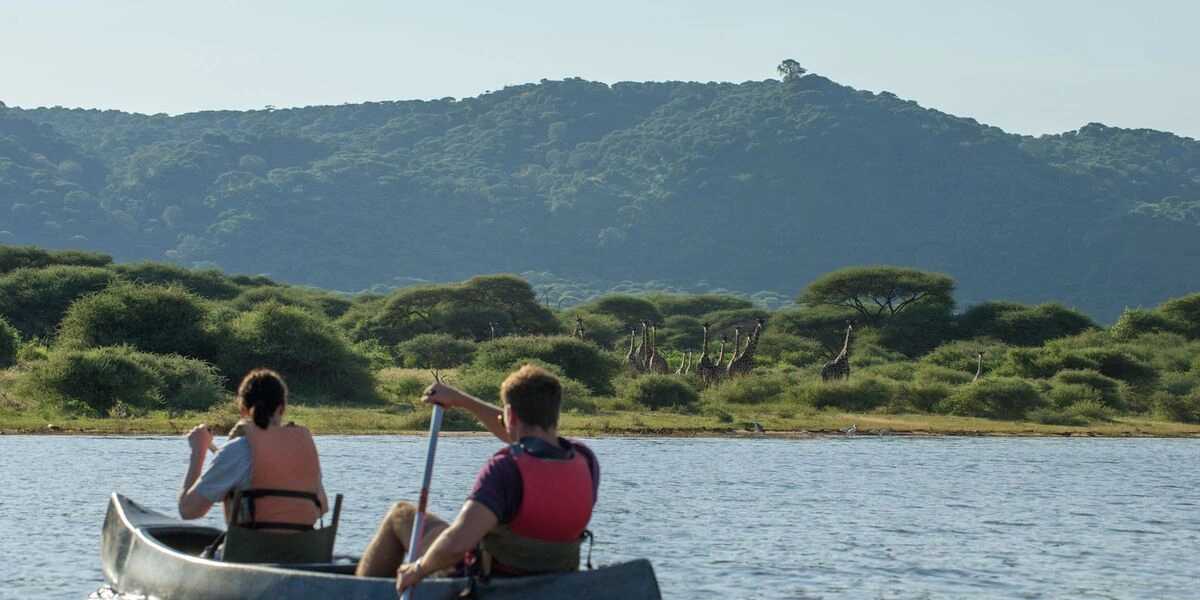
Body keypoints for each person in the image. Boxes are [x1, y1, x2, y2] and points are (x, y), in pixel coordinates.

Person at [356, 364, 600, 595]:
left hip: (484, 578)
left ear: (510, 416)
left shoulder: (505, 469)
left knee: (399, 514)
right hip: (553, 575)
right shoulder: (584, 459)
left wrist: (417, 569)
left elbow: (456, 544)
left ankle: (355, 595)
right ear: (554, 413)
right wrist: (462, 400)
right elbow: (528, 437)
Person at [177, 368, 329, 558]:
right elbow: (322, 508)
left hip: (251, 555)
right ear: (282, 408)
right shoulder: (304, 448)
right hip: (305, 555)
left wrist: (198, 451)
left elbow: (189, 510)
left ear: (242, 409)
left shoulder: (237, 450)